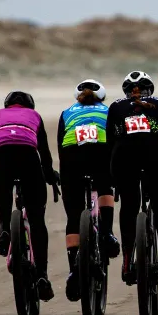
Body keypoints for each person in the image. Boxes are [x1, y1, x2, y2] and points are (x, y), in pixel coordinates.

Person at [108, 71, 158, 286]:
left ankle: (126, 260)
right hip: (156, 157)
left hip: (124, 159)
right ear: (149, 89)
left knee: (129, 207)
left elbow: (110, 142)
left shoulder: (116, 106)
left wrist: (112, 174)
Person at [0, 90, 59, 301]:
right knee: (37, 220)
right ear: (29, 106)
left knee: (3, 190)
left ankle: (4, 229)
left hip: (1, 157)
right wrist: (49, 175)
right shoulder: (34, 116)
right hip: (27, 156)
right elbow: (44, 153)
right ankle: (42, 275)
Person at [58, 79, 120, 302]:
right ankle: (107, 233)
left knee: (73, 216)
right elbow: (116, 139)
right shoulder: (108, 110)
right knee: (105, 187)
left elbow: (60, 145)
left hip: (71, 156)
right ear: (101, 97)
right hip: (100, 152)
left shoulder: (67, 112)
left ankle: (74, 269)